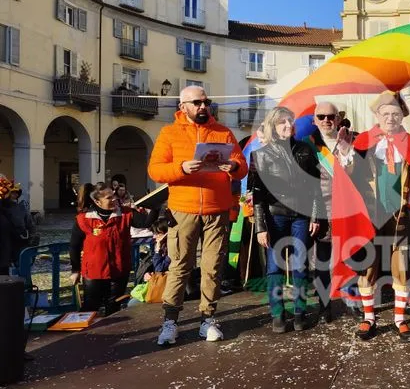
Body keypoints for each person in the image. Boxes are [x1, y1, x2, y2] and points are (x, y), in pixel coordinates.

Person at [332, 91, 410, 342]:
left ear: (403, 116)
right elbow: (350, 173)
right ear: (376, 115)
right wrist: (344, 149)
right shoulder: (364, 140)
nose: (390, 118)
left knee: (402, 266)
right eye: (386, 113)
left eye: (395, 114)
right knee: (368, 265)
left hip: (402, 216)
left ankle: (399, 319)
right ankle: (369, 318)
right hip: (370, 216)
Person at [148, 86, 248, 345]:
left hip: (217, 210)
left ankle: (208, 319)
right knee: (180, 266)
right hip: (183, 210)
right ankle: (170, 321)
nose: (203, 106)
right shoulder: (169, 133)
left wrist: (234, 166)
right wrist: (181, 168)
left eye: (206, 102)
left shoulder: (223, 132)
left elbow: (242, 166)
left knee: (213, 267)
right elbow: (155, 170)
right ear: (183, 107)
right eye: (197, 103)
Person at [250, 106, 323, 333]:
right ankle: (278, 315)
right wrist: (261, 228)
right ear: (273, 125)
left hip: (301, 216)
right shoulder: (260, 155)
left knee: (300, 264)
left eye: (290, 121)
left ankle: (300, 313)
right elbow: (258, 195)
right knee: (274, 267)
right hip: (274, 216)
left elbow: (316, 187)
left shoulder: (305, 150)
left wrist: (315, 215)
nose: (288, 125)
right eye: (282, 122)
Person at [69, 182, 159, 313]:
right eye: (109, 198)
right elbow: (74, 246)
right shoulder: (84, 219)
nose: (114, 199)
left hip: (119, 270)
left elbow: (146, 222)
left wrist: (155, 207)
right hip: (94, 272)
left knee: (114, 307)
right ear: (97, 202)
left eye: (113, 195)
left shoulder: (125, 214)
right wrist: (75, 270)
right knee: (91, 307)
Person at [306, 101, 354, 323]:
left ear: (338, 118)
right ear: (315, 120)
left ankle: (354, 301)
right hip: (322, 209)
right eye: (322, 116)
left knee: (353, 256)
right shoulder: (308, 145)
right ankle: (324, 305)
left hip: (350, 210)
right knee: (321, 260)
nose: (327, 120)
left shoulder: (352, 141)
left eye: (331, 116)